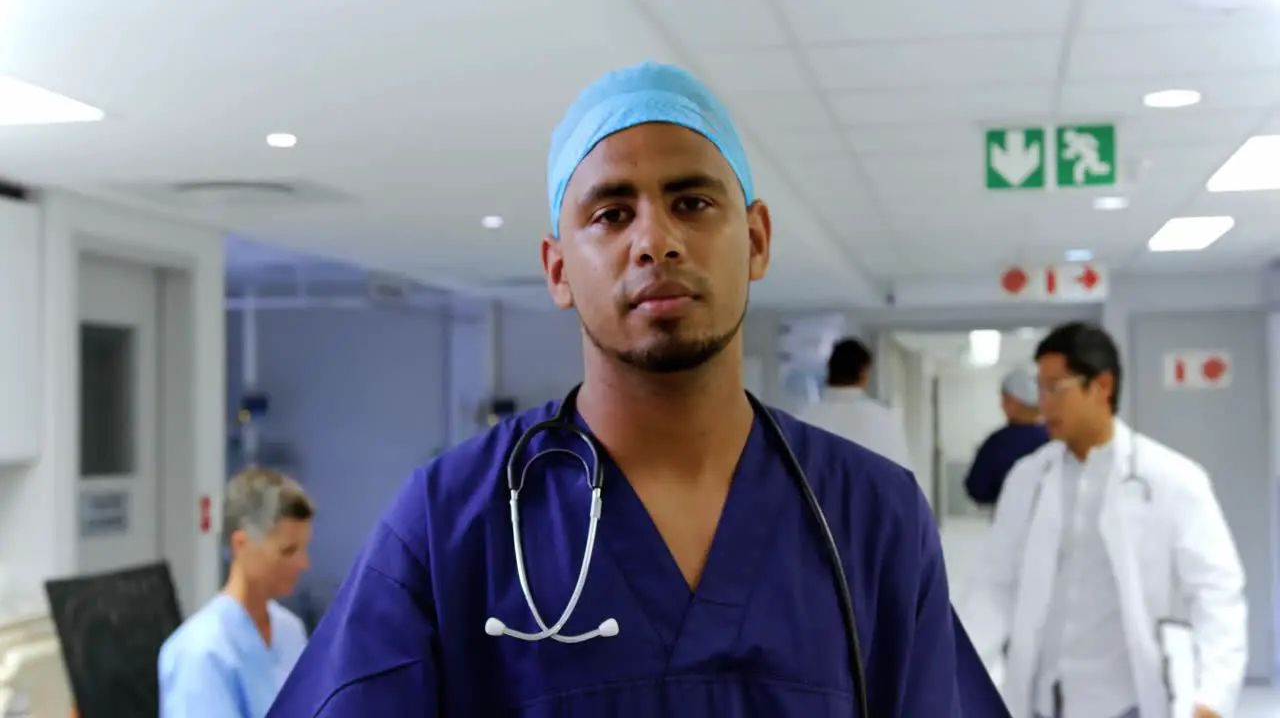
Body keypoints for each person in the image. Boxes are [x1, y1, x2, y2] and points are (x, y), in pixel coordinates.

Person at [268, 61, 1006, 717]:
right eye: (611, 214)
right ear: (558, 270)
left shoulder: (873, 520)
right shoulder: (450, 524)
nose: (655, 239)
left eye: (692, 203)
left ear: (755, 241)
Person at [967, 322, 1246, 718]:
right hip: (1042, 700)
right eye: (1040, 388)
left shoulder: (1172, 479)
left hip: (1128, 701)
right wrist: (956, 679)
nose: (1043, 403)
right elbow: (993, 586)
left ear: (1102, 386)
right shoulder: (1027, 479)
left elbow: (1217, 593)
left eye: (1055, 388)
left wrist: (1211, 696)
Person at [159, 467, 314, 718]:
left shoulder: (290, 630)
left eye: (304, 549)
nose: (303, 564)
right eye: (288, 551)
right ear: (241, 545)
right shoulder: (201, 653)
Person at [797, 337, 914, 472]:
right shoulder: (883, 420)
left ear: (830, 369)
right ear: (864, 373)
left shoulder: (804, 419)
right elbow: (901, 480)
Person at [963, 364, 1050, 509]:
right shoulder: (1058, 438)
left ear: (1014, 402)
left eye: (1004, 399)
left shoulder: (998, 443)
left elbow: (978, 489)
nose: (1001, 405)